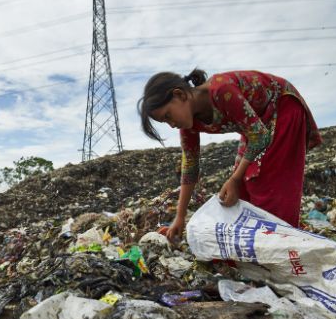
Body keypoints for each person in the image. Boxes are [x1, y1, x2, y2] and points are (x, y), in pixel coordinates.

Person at [138, 69, 322, 238]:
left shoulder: (221, 90)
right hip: (255, 126)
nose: (171, 124)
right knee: (240, 193)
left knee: (267, 184)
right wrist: (180, 216)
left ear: (179, 94)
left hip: (282, 107)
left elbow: (260, 136)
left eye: (168, 115)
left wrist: (234, 178)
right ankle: (258, 242)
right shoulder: (189, 124)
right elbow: (190, 168)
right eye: (164, 122)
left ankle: (282, 241)